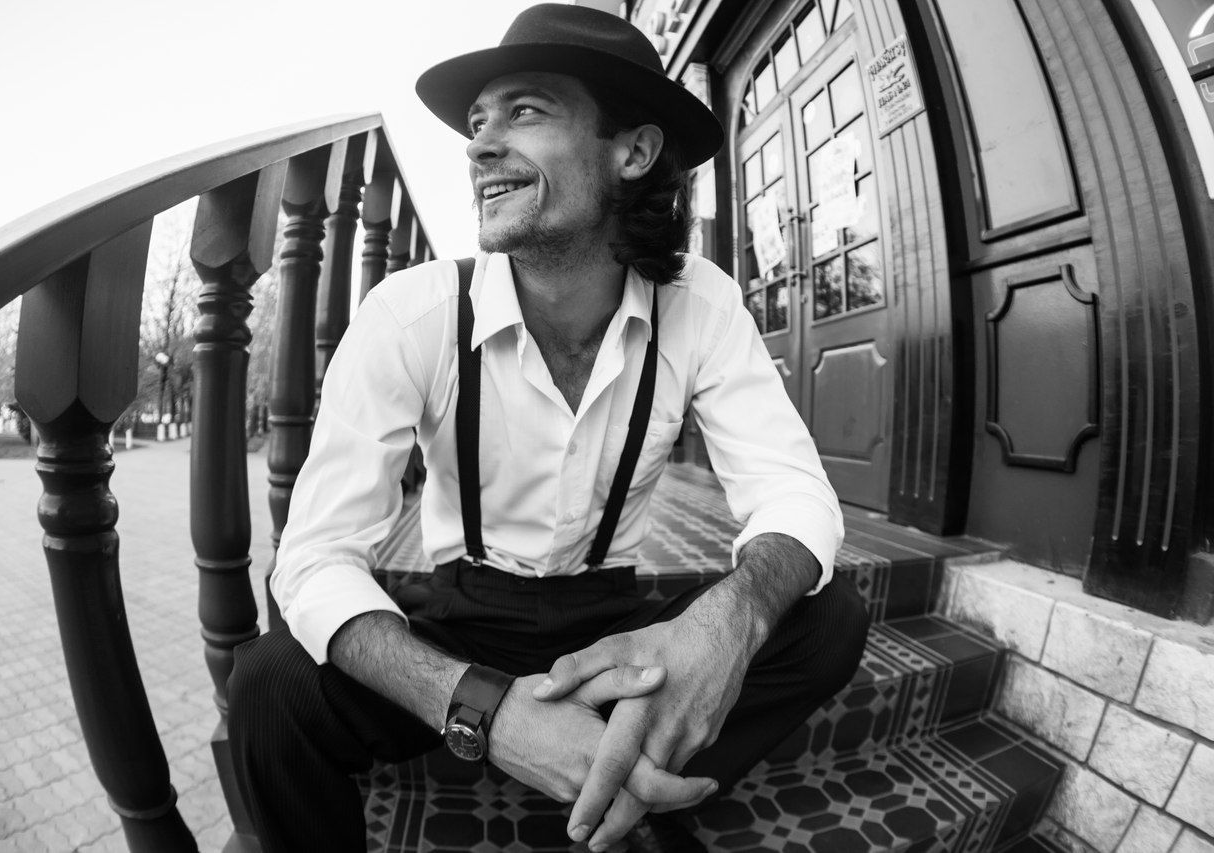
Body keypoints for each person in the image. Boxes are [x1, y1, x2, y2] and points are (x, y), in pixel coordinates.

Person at [227, 4, 869, 851]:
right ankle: (634, 777)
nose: (480, 145)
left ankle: (627, 784)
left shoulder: (700, 304)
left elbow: (794, 492)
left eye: (524, 111)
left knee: (831, 615)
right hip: (464, 615)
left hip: (612, 622)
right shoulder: (412, 314)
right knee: (269, 686)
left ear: (632, 152)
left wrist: (730, 618)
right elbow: (312, 558)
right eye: (479, 122)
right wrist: (481, 710)